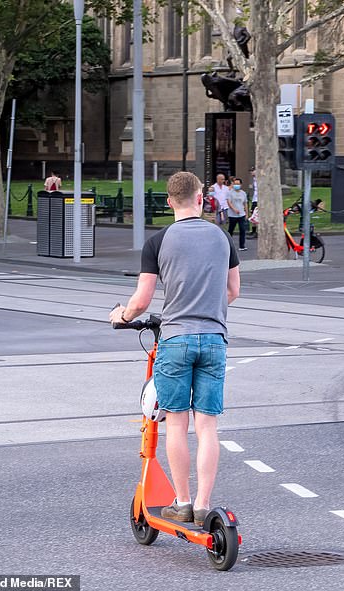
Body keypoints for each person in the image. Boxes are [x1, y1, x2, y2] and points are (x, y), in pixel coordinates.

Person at [109, 171, 240, 527]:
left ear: (169, 202)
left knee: (177, 424)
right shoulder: (222, 237)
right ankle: (203, 504)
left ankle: (181, 501)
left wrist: (121, 315)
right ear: (201, 199)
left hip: (176, 339)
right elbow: (233, 291)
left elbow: (142, 300)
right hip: (214, 339)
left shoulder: (158, 242)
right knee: (208, 426)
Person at [227, 177, 248, 251]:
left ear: (241, 185)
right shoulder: (230, 193)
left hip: (241, 214)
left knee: (242, 229)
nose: (236, 185)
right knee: (231, 230)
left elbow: (245, 203)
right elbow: (229, 202)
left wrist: (246, 213)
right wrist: (234, 209)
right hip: (232, 215)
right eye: (235, 184)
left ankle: (242, 245)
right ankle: (228, 244)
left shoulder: (243, 193)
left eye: (238, 184)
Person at [247, 167, 258, 238]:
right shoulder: (253, 180)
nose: (251, 173)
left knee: (257, 215)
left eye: (253, 171)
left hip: (258, 200)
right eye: (251, 171)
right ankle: (253, 231)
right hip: (254, 199)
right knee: (253, 215)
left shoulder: (260, 179)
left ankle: (256, 231)